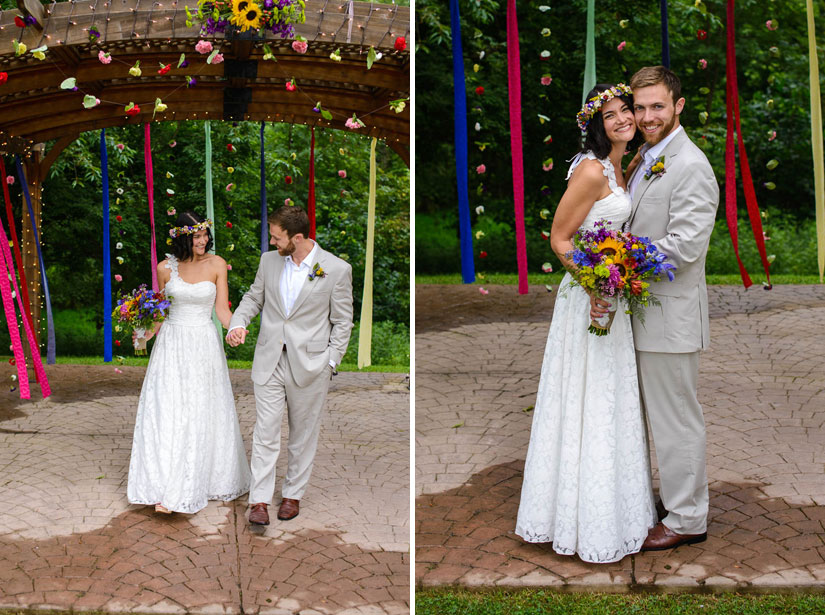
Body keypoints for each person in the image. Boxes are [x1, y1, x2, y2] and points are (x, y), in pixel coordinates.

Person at [515, 84, 657, 563]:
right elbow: (559, 239)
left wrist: (617, 279)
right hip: (589, 298)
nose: (622, 120)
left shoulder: (624, 165)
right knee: (587, 399)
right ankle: (578, 518)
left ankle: (617, 511)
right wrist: (597, 284)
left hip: (613, 294)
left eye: (626, 111)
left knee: (611, 401)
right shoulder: (594, 171)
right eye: (611, 115)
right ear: (596, 124)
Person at [594, 66, 719, 551]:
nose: (646, 116)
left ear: (678, 106)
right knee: (658, 417)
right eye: (640, 107)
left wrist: (616, 263)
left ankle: (688, 519)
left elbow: (686, 246)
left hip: (670, 318)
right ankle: (677, 500)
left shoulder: (690, 164)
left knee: (676, 420)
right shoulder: (650, 155)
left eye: (657, 106)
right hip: (644, 314)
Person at [226, 205, 353, 525]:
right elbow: (253, 299)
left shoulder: (336, 269)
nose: (271, 242)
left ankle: (293, 495)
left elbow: (343, 321)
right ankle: (259, 501)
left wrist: (331, 362)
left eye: (276, 236)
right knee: (265, 432)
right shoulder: (269, 262)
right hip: (269, 360)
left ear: (297, 237)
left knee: (302, 434)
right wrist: (238, 323)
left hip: (311, 365)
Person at [127, 211, 251, 514]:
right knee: (168, 409)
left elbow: (222, 310)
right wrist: (142, 334)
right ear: (183, 237)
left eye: (205, 234)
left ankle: (192, 482)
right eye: (197, 236)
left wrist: (235, 328)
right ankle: (162, 483)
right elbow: (159, 313)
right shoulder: (165, 268)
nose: (203, 240)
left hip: (203, 344)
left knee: (198, 407)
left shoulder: (217, 265)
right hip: (171, 345)